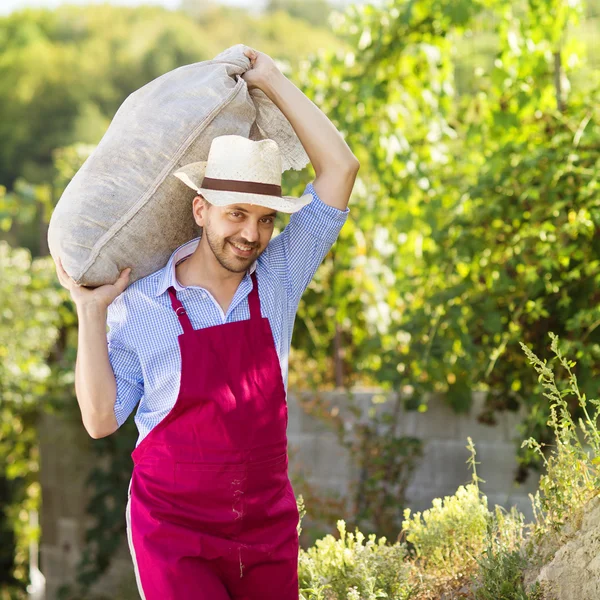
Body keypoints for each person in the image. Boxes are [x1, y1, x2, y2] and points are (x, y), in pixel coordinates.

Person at [54, 47, 359, 600]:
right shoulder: (141, 305)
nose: (251, 234)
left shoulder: (279, 281)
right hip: (174, 535)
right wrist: (90, 311)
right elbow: (100, 419)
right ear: (201, 211)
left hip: (266, 530)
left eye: (265, 219)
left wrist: (273, 81)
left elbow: (341, 169)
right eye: (235, 214)